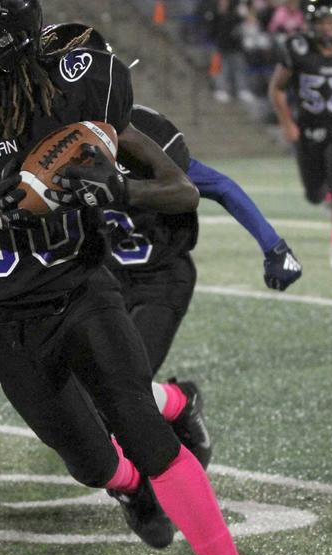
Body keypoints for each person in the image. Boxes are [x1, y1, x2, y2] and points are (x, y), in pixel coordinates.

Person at [0, 2, 242, 555]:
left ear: (6, 45)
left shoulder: (69, 92)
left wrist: (114, 191)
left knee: (143, 429)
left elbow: (181, 192)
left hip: (85, 292)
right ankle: (129, 488)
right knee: (90, 462)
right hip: (5, 324)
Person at [44, 23, 303, 470]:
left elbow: (214, 185)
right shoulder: (45, 140)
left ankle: (179, 411)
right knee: (84, 394)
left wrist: (273, 244)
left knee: (123, 393)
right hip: (104, 278)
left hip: (161, 275)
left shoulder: (144, 132)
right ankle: (171, 412)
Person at [269, 0, 332, 270]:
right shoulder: (298, 48)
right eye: (322, 23)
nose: (328, 28)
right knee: (314, 193)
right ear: (313, 26)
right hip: (310, 126)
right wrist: (287, 123)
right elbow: (277, 88)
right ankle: (326, 197)